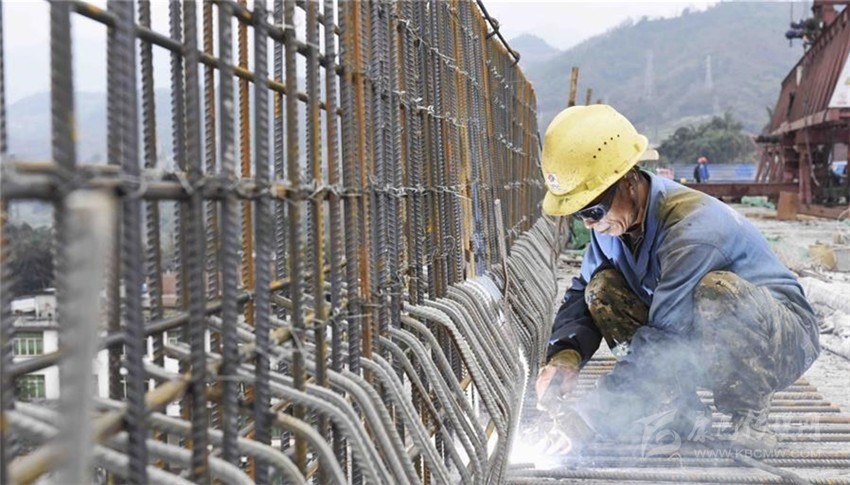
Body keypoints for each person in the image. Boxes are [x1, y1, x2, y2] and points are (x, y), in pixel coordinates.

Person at [536, 105, 819, 453]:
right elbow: (582, 290)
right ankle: (680, 408)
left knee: (718, 292)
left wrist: (592, 416)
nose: (590, 224)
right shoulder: (611, 226)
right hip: (699, 334)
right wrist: (565, 355)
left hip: (781, 340)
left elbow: (666, 338)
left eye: (594, 210)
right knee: (601, 289)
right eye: (580, 215)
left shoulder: (692, 228)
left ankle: (748, 417)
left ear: (628, 181)